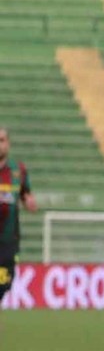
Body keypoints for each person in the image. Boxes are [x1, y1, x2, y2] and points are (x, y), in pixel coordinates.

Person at [0, 127, 37, 314]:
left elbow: (25, 193)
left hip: (7, 243)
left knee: (3, 284)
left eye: (2, 140)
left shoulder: (18, 171)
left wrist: (28, 200)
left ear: (8, 144)